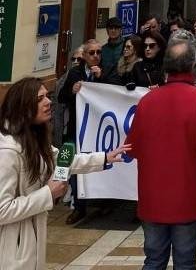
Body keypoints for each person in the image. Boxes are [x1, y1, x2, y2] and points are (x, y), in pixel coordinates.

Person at [0, 77, 129, 270]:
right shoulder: (8, 152)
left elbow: (65, 160)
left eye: (48, 96)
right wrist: (48, 194)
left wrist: (105, 157)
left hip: (31, 242)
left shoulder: (34, 139)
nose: (48, 102)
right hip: (11, 250)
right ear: (23, 106)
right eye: (40, 98)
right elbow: (2, 210)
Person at [125, 39, 196, 269]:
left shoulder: (147, 101)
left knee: (154, 260)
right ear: (193, 66)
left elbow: (133, 148)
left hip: (152, 197)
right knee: (185, 262)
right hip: (187, 196)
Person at [58, 39, 119, 224]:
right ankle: (79, 206)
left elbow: (117, 92)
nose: (96, 56)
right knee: (77, 165)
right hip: (79, 128)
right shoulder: (75, 72)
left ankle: (105, 201)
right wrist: (72, 90)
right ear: (84, 56)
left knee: (103, 162)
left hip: (100, 128)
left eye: (98, 52)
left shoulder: (108, 69)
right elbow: (61, 97)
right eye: (91, 53)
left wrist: (101, 78)